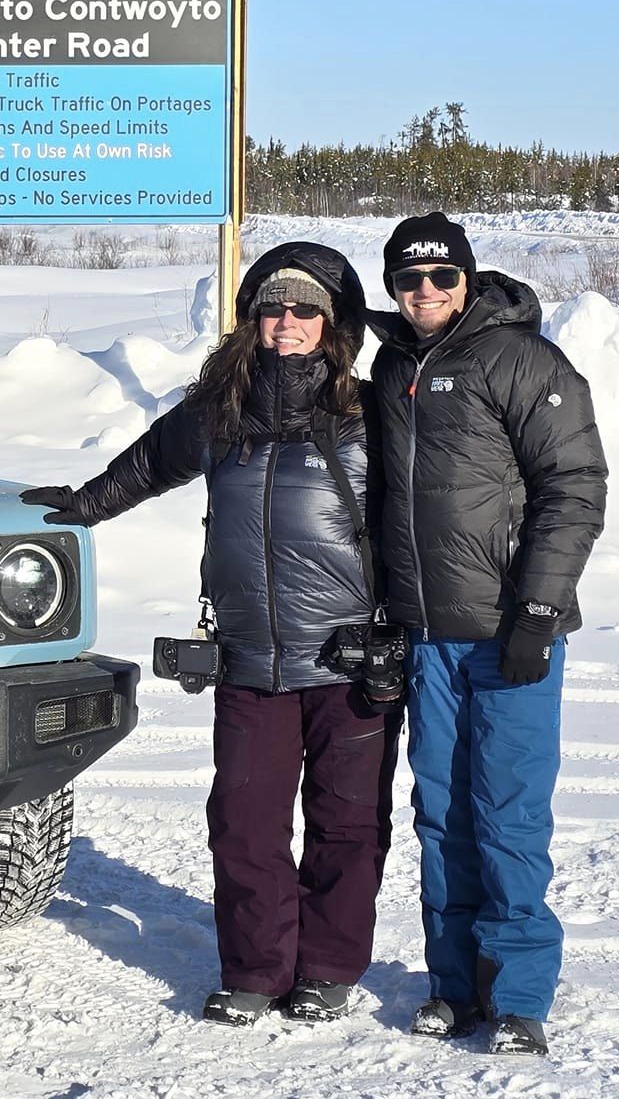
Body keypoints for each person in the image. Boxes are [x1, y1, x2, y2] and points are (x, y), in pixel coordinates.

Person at [21, 242, 402, 1027]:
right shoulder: (220, 413)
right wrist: (82, 505)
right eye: (272, 308)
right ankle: (257, 971)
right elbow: (145, 467)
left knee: (347, 825)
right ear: (251, 320)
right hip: (249, 659)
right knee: (244, 824)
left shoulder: (369, 416)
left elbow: (419, 531)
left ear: (332, 325)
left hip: (348, 659)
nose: (286, 322)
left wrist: (403, 633)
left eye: (304, 310)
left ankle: (328, 966)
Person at [366, 212, 608, 1057]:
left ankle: (520, 994)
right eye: (409, 279)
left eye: (441, 278)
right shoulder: (393, 361)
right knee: (441, 814)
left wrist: (539, 612)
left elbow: (573, 488)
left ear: (467, 280)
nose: (425, 292)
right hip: (428, 637)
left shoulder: (524, 361)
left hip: (510, 634)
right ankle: (454, 985)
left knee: (507, 813)